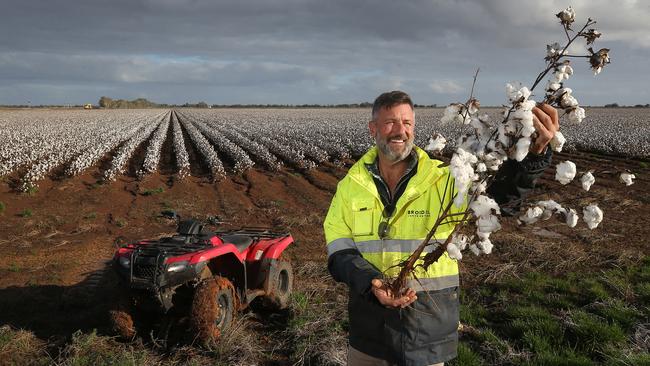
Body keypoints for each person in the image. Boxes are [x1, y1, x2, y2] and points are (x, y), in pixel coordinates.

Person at [323, 90, 558, 366]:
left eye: (407, 123)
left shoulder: (445, 180)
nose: (400, 131)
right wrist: (371, 282)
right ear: (372, 128)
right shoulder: (350, 187)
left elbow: (497, 199)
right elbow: (339, 251)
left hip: (426, 335)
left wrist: (532, 157)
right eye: (390, 122)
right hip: (370, 333)